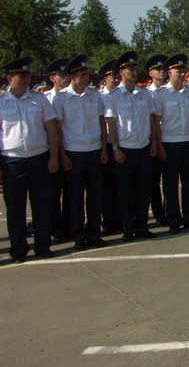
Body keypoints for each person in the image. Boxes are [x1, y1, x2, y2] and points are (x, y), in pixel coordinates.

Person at [0, 57, 60, 263]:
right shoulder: (1, 103)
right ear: (10, 78)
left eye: (28, 75)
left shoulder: (39, 99)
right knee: (15, 209)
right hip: (12, 161)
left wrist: (53, 157)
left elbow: (51, 129)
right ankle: (18, 250)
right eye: (22, 75)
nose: (27, 79)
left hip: (39, 159)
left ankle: (43, 246)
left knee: (42, 206)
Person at [52, 54, 108, 250]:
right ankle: (78, 236)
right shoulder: (61, 98)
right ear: (72, 77)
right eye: (83, 74)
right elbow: (58, 130)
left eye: (87, 74)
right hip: (73, 153)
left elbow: (102, 123)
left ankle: (94, 233)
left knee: (95, 196)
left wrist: (104, 149)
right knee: (75, 198)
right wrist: (63, 156)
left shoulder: (95, 95)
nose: (87, 77)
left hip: (94, 151)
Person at [103, 51, 160, 241]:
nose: (134, 72)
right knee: (125, 193)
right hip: (125, 150)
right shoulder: (113, 96)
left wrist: (153, 142)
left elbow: (151, 120)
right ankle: (128, 227)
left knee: (143, 191)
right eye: (130, 69)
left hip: (143, 147)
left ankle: (142, 226)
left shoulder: (145, 94)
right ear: (121, 72)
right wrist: (115, 149)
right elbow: (111, 125)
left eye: (135, 69)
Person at [152, 54, 189, 234]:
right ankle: (173, 220)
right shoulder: (161, 94)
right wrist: (159, 145)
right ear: (169, 73)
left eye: (183, 71)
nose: (182, 75)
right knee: (171, 185)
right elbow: (156, 123)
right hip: (169, 143)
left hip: (188, 142)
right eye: (178, 72)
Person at [43, 57, 72, 242]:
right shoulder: (45, 98)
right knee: (52, 194)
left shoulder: (71, 96)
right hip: (50, 152)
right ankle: (56, 230)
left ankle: (69, 227)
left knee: (70, 193)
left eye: (67, 74)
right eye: (61, 75)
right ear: (52, 78)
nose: (65, 78)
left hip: (69, 150)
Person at [98, 59, 122, 235]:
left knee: (122, 186)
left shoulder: (122, 95)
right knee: (107, 187)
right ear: (105, 78)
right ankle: (109, 222)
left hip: (123, 144)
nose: (116, 79)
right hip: (106, 144)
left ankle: (122, 220)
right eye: (112, 76)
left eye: (117, 76)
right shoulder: (100, 97)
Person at [145, 54, 168, 226]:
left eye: (163, 69)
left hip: (167, 139)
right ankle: (158, 212)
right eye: (158, 69)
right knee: (153, 181)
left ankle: (168, 211)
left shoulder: (168, 91)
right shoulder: (147, 93)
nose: (162, 71)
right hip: (152, 140)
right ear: (151, 73)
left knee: (168, 179)